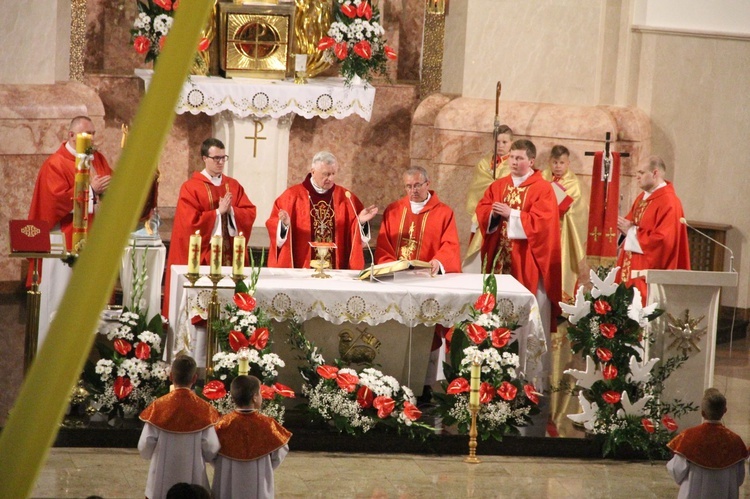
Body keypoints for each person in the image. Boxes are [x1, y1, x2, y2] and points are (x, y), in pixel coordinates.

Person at [475, 139, 562, 436]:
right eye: (511, 157)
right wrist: (493, 214)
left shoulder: (542, 188)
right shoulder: (499, 185)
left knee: (527, 322)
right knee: (496, 319)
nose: (514, 162)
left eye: (520, 158)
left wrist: (512, 214)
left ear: (532, 160)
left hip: (528, 266)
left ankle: (529, 380)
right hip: (501, 262)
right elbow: (484, 207)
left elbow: (545, 224)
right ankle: (495, 373)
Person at [27, 116, 113, 348]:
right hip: (65, 241)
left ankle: (88, 350)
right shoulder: (56, 164)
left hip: (95, 239)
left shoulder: (98, 159)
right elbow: (54, 202)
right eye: (86, 134)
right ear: (70, 136)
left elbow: (111, 184)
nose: (91, 139)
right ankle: (54, 347)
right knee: (64, 298)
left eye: (93, 133)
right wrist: (91, 191)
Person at [163, 138, 257, 315]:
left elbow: (249, 212)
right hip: (203, 257)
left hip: (230, 257)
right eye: (216, 158)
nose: (221, 162)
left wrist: (232, 212)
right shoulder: (191, 188)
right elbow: (189, 223)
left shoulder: (233, 185)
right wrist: (217, 213)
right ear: (204, 158)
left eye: (223, 158)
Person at [541, 145, 589, 437]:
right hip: (548, 239)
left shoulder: (574, 184)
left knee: (564, 274)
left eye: (562, 163)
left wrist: (558, 202)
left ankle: (564, 303)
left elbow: (574, 211)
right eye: (554, 163)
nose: (557, 167)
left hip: (565, 240)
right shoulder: (543, 179)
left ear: (568, 163)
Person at [265, 151, 377, 269]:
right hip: (302, 270)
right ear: (313, 172)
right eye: (326, 174)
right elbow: (273, 228)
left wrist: (361, 222)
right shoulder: (291, 197)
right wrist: (285, 225)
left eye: (333, 173)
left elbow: (357, 242)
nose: (331, 178)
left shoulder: (346, 197)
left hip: (336, 271)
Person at [138, 355, 220, 499]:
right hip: (194, 478)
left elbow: (145, 444)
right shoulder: (203, 409)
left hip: (160, 480)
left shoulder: (159, 407)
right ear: (194, 378)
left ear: (171, 376)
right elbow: (211, 446)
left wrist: (148, 454)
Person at [616, 155, 690, 301]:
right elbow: (629, 224)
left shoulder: (669, 202)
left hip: (649, 273)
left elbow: (663, 242)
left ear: (655, 173)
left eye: (641, 173)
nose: (637, 176)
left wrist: (630, 231)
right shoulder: (643, 197)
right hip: (632, 267)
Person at [212, 375, 291, 499]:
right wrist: (267, 467)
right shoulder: (268, 425)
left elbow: (211, 452)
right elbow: (280, 452)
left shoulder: (222, 425)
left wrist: (223, 464)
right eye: (260, 392)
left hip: (227, 480)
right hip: (258, 481)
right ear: (255, 397)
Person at [375, 166, 462, 275]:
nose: (413, 191)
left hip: (429, 276)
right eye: (409, 186)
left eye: (417, 185)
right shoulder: (393, 211)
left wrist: (438, 261)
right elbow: (383, 246)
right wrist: (392, 267)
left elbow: (450, 245)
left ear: (427, 184)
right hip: (397, 277)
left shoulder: (444, 213)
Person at [667, 388, 749, 498]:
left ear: (702, 413)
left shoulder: (688, 438)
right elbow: (739, 479)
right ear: (725, 410)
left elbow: (677, 471)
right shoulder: (735, 441)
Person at [464, 125, 514, 271]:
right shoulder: (484, 164)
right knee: (480, 258)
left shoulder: (514, 164)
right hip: (485, 215)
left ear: (511, 143)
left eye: (505, 142)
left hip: (504, 221)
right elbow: (477, 187)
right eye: (497, 142)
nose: (500, 145)